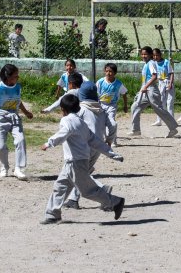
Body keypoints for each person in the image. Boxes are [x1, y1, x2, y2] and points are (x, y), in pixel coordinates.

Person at [40, 94, 125, 224]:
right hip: (76, 161)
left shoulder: (66, 120)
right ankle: (53, 214)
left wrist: (49, 143)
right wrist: (112, 154)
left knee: (87, 191)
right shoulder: (82, 123)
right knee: (60, 186)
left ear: (62, 109)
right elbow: (96, 141)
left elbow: (64, 132)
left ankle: (115, 202)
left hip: (75, 162)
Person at [65, 80, 114, 210]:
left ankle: (103, 189)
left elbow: (72, 123)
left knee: (79, 173)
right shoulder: (102, 110)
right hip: (97, 147)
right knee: (82, 173)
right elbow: (113, 125)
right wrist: (109, 139)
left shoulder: (81, 109)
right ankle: (73, 199)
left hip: (83, 146)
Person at [130, 46, 179, 138]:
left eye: (146, 54)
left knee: (159, 110)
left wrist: (146, 86)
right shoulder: (146, 64)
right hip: (145, 90)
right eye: (142, 54)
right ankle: (135, 130)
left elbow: (154, 76)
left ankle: (173, 128)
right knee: (135, 107)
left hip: (151, 90)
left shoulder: (151, 63)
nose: (144, 56)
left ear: (150, 55)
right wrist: (143, 88)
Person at [96, 63, 128, 147]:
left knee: (111, 122)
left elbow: (124, 93)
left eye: (110, 71)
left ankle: (113, 141)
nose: (108, 73)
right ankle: (105, 140)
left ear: (115, 73)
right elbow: (95, 93)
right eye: (106, 71)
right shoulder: (100, 82)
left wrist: (125, 106)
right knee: (102, 123)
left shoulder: (118, 84)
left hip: (112, 106)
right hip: (101, 105)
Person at [151, 48, 175, 127]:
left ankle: (171, 121)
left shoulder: (166, 62)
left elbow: (171, 73)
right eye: (154, 55)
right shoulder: (154, 63)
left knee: (169, 102)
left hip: (168, 82)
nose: (155, 57)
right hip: (161, 83)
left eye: (157, 55)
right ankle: (159, 120)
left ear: (160, 55)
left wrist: (170, 83)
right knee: (160, 103)